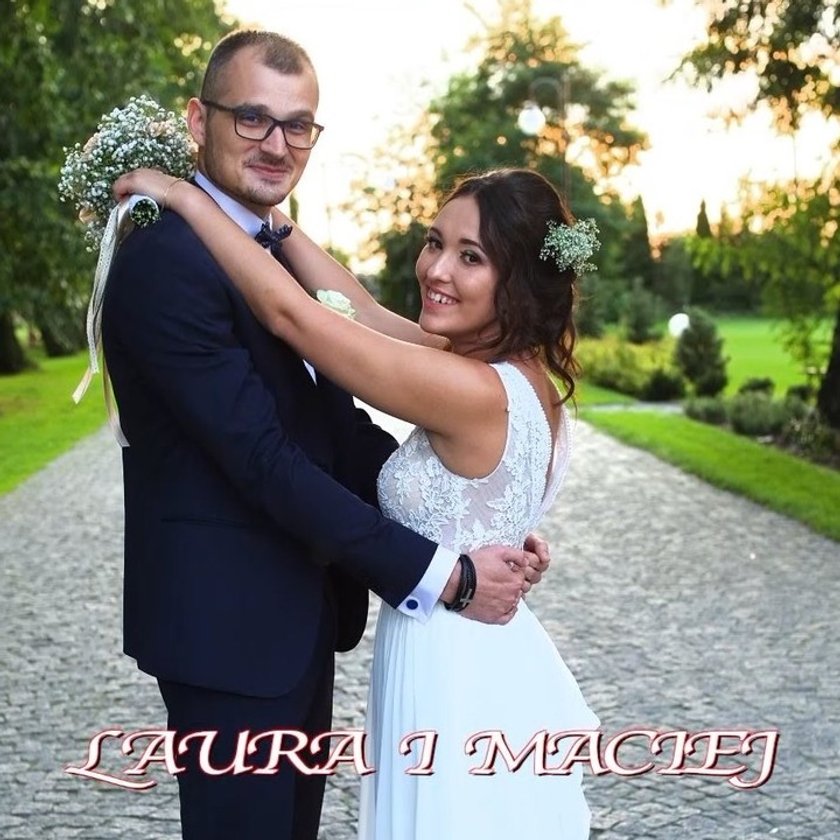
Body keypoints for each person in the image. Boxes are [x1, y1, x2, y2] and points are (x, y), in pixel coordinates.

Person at [101, 29, 549, 840]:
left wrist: (467, 524)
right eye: (253, 118)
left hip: (297, 620)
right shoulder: (167, 259)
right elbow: (264, 460)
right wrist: (446, 574)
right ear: (199, 120)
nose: (277, 144)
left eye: (298, 124)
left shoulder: (268, 253)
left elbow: (332, 426)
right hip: (227, 631)